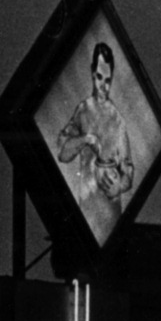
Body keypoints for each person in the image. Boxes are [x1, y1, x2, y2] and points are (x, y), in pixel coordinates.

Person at [56, 40, 137, 214]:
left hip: (111, 212)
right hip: (86, 209)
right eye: (100, 77)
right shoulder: (83, 111)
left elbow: (128, 172)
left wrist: (119, 187)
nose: (103, 86)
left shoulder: (118, 121)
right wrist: (86, 139)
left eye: (108, 80)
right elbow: (63, 154)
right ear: (93, 72)